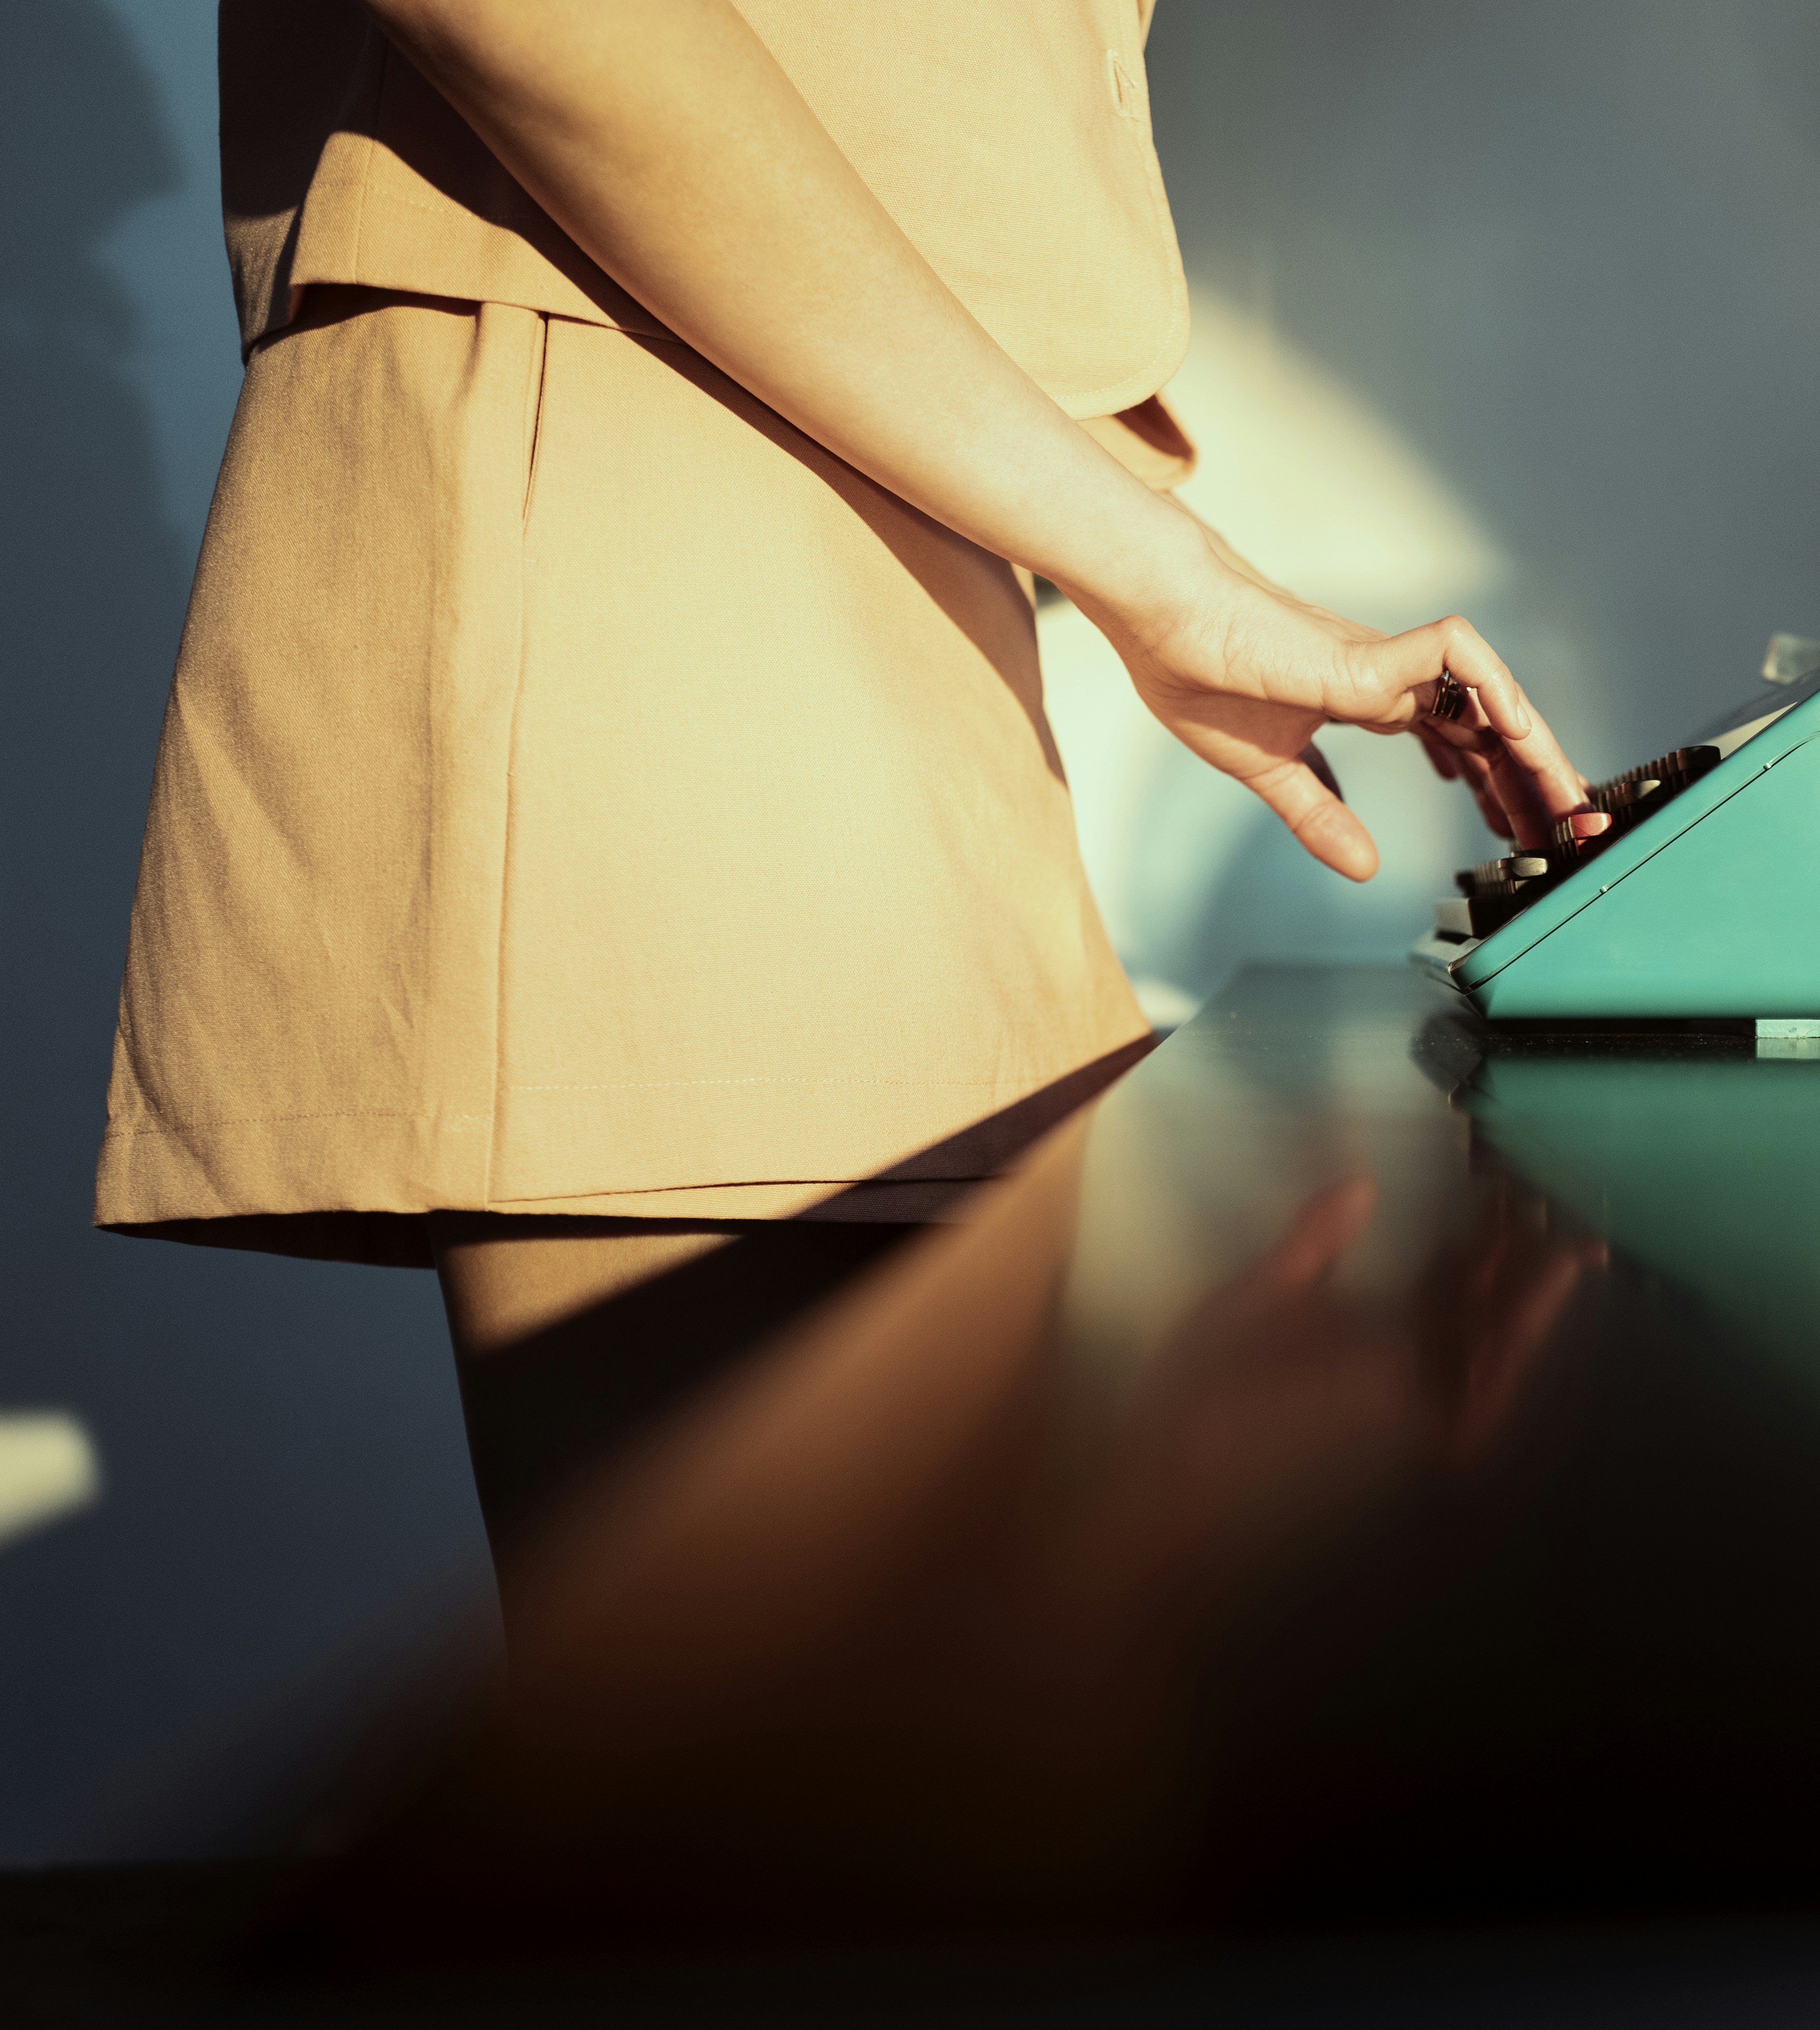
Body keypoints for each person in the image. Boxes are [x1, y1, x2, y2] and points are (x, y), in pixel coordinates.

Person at [97, 0, 1603, 1575]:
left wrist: (1155, 571)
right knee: (765, 1733)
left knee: (930, 1700)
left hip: (875, 571)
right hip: (647, 545)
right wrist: (1165, 575)